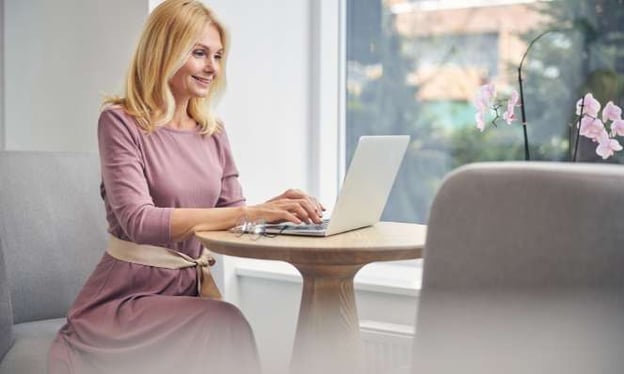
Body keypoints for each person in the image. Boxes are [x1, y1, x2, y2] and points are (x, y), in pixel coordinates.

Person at [47, 1, 323, 373]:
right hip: (125, 301)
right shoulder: (120, 122)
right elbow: (138, 221)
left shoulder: (213, 132)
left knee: (222, 324)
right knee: (227, 323)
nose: (213, 68)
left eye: (218, 56)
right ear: (165, 51)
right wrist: (249, 212)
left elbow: (234, 214)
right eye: (199, 53)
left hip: (186, 295)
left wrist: (280, 213)